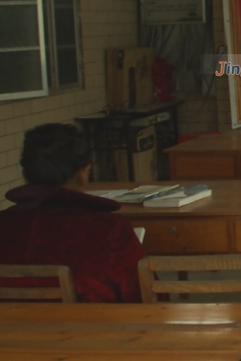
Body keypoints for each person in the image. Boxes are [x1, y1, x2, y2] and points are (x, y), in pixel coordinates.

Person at [0, 123, 146, 303]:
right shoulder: (109, 229)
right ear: (83, 173)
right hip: (94, 329)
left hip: (8, 330)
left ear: (24, 175)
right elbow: (145, 294)